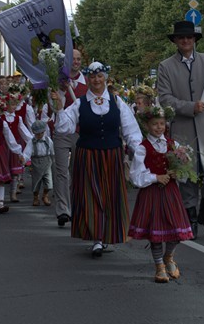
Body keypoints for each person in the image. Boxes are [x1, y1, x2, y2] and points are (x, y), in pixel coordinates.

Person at [53, 61, 142, 257]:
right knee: (91, 195)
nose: (96, 80)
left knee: (110, 195)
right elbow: (63, 128)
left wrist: (140, 154)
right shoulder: (79, 103)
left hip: (112, 154)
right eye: (92, 77)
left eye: (100, 76)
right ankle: (97, 239)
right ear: (89, 79)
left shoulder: (118, 102)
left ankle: (107, 234)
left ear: (105, 78)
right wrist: (59, 108)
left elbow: (131, 130)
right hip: (88, 155)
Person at [157, 20, 204, 238]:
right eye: (181, 38)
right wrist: (189, 107)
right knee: (186, 175)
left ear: (195, 40)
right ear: (176, 41)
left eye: (189, 37)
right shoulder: (166, 66)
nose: (185, 41)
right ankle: (191, 219)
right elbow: (165, 98)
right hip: (183, 127)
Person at [128, 106, 193, 283]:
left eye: (162, 124)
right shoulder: (143, 148)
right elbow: (135, 175)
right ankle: (159, 266)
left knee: (177, 230)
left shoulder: (173, 145)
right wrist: (156, 177)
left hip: (171, 192)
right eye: (154, 124)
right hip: (152, 193)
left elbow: (186, 166)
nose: (159, 127)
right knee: (155, 232)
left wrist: (179, 169)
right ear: (147, 126)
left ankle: (168, 257)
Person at [53, 48, 88, 227]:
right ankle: (63, 211)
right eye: (72, 59)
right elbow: (52, 106)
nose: (76, 62)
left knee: (77, 172)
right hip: (62, 132)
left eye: (78, 59)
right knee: (61, 171)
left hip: (80, 132)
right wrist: (60, 91)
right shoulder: (58, 81)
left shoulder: (87, 83)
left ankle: (76, 208)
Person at [23, 119, 54, 206]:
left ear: (44, 131)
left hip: (47, 161)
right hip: (36, 161)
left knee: (49, 183)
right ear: (34, 133)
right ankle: (36, 197)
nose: (39, 135)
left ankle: (45, 195)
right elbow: (27, 152)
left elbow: (52, 151)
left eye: (41, 133)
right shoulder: (31, 142)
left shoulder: (48, 140)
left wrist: (55, 159)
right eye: (37, 133)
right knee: (36, 182)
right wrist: (24, 159)